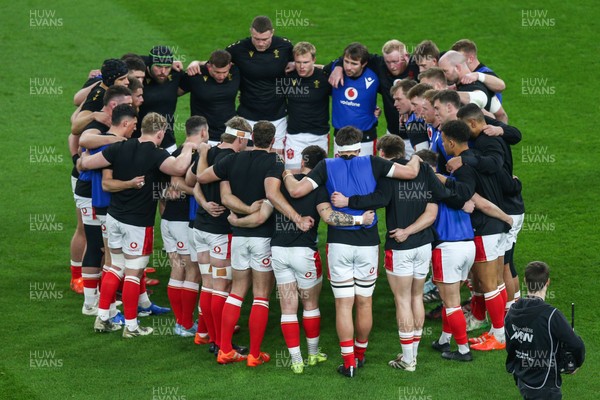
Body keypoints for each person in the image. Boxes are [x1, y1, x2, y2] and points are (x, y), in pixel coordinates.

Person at [282, 126, 420, 378]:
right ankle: (360, 354)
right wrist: (418, 156)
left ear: (336, 145)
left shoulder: (325, 166)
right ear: (359, 147)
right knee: (364, 302)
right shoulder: (375, 162)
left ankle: (348, 364)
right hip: (367, 244)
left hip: (339, 245)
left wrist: (286, 173)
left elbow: (297, 191)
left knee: (343, 305)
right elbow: (411, 172)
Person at [231, 145, 375, 374]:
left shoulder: (279, 185)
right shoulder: (319, 189)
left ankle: (296, 361)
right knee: (310, 305)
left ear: (302, 161)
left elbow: (260, 217)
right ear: (320, 165)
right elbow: (329, 216)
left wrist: (236, 222)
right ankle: (313, 354)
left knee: (288, 309)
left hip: (278, 251)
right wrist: (360, 221)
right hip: (304, 254)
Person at [81, 113, 196, 337]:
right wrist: (189, 147)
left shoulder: (120, 147)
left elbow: (87, 164)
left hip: (114, 217)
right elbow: (180, 168)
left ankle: (103, 317)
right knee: (134, 273)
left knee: (115, 267)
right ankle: (132, 327)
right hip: (138, 224)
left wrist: (82, 156)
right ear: (160, 133)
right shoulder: (156, 154)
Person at [196, 121, 284, 366]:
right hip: (262, 237)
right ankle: (254, 355)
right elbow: (274, 195)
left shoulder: (233, 160)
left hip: (236, 236)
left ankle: (225, 350)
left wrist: (203, 153)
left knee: (235, 292)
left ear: (252, 137)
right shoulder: (275, 162)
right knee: (261, 296)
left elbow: (202, 177)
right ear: (273, 141)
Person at [188, 16, 294, 154]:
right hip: (246, 117)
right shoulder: (238, 49)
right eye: (256, 39)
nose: (261, 44)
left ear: (272, 33)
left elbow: (305, 64)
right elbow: (217, 63)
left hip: (278, 116)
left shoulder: (285, 46)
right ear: (251, 32)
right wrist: (196, 62)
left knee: (276, 158)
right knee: (244, 157)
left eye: (265, 39)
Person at [189, 116, 251, 351]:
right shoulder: (233, 159)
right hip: (219, 235)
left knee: (208, 284)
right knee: (221, 287)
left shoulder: (210, 152)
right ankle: (221, 343)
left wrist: (203, 204)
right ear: (241, 139)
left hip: (200, 230)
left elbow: (195, 183)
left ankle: (204, 334)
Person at [505, 261, 585, 400]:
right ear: (548, 282)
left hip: (522, 379)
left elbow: (510, 344)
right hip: (545, 384)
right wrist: (575, 363)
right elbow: (576, 345)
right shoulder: (551, 315)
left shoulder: (512, 311)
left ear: (525, 281)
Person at [160, 116, 209, 337]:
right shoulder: (198, 154)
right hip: (182, 222)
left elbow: (171, 185)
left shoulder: (176, 153)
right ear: (204, 132)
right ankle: (186, 324)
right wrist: (201, 193)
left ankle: (181, 323)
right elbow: (175, 184)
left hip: (167, 220)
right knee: (192, 271)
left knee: (177, 269)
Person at [328, 40, 420, 151]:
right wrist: (338, 66)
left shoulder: (417, 66)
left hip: (419, 135)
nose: (392, 66)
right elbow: (353, 55)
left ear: (406, 56)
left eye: (395, 61)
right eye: (388, 62)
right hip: (393, 134)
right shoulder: (378, 64)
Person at [283, 42, 331, 170]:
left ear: (314, 60)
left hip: (319, 136)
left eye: (305, 62)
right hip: (294, 136)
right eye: (298, 62)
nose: (301, 66)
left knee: (318, 175)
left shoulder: (325, 78)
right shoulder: (287, 77)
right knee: (291, 175)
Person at [180, 50, 240, 146]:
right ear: (209, 66)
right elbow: (173, 92)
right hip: (202, 138)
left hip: (229, 136)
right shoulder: (195, 74)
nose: (221, 76)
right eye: (217, 72)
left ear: (230, 66)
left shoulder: (235, 71)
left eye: (225, 72)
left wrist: (198, 61)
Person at [330, 43, 380, 156]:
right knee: (340, 172)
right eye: (346, 62)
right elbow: (314, 70)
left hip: (366, 137)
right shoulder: (335, 69)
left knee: (364, 172)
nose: (348, 67)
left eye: (354, 64)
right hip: (340, 136)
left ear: (364, 64)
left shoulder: (374, 75)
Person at [137, 45, 187, 153]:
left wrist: (197, 63)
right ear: (149, 65)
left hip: (168, 143)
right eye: (158, 66)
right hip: (138, 141)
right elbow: (126, 60)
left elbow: (209, 68)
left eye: (167, 67)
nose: (163, 71)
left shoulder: (176, 75)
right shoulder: (139, 76)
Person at [438, 50, 507, 122]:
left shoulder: (471, 86)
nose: (443, 76)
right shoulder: (480, 83)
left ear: (458, 68)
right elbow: (501, 115)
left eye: (445, 71)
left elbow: (480, 98)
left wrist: (446, 93)